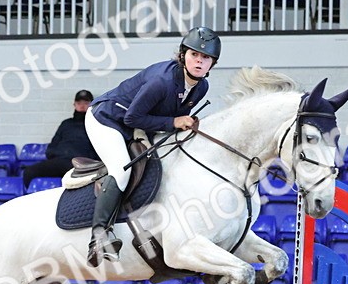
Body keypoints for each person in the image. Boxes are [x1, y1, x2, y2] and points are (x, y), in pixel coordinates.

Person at [83, 25, 221, 266]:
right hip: (107, 119)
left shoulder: (202, 88)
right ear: (183, 55)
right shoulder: (162, 81)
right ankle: (99, 236)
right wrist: (175, 121)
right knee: (121, 170)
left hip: (137, 125)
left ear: (212, 64)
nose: (199, 61)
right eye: (194, 55)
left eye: (205, 57)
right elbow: (132, 118)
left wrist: (180, 123)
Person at [20, 90, 97, 187]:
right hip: (60, 161)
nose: (82, 106)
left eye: (86, 103)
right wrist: (55, 155)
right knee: (29, 172)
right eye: (79, 103)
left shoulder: (95, 124)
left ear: (91, 105)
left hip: (82, 165)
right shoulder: (66, 124)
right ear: (74, 105)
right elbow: (53, 145)